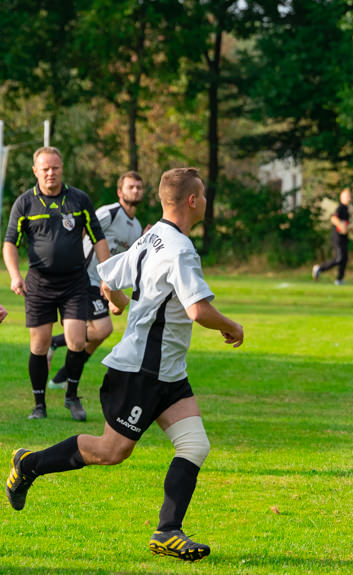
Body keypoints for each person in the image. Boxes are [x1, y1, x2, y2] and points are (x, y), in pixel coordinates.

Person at [4, 167, 244, 563]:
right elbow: (198, 310)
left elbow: (106, 271)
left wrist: (116, 301)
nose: (205, 201)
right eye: (202, 195)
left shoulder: (153, 235)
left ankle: (168, 531)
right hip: (140, 372)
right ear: (191, 201)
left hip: (168, 371)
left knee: (195, 444)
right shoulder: (181, 249)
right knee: (110, 450)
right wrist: (232, 326)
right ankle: (29, 463)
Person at [3, 147, 109, 421]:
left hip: (74, 282)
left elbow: (98, 238)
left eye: (55, 168)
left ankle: (71, 397)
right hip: (38, 284)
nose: (51, 173)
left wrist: (108, 275)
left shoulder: (78, 199)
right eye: (45, 169)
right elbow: (10, 243)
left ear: (62, 169)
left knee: (76, 340)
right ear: (35, 171)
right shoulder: (25, 203)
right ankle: (39, 405)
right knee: (39, 345)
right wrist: (15, 275)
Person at [47, 171, 146, 389]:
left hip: (104, 284)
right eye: (131, 187)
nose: (136, 190)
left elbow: (125, 261)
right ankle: (54, 343)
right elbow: (81, 227)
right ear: (120, 192)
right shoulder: (109, 213)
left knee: (99, 334)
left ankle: (62, 376)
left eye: (139, 187)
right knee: (102, 330)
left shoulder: (137, 226)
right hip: (83, 276)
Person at [312, 187, 351, 285]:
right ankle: (319, 268)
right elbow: (334, 218)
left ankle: (339, 279)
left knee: (344, 258)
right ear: (342, 197)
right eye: (347, 197)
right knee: (339, 258)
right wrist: (341, 226)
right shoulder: (341, 208)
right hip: (337, 238)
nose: (349, 199)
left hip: (343, 238)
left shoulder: (346, 210)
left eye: (350, 197)